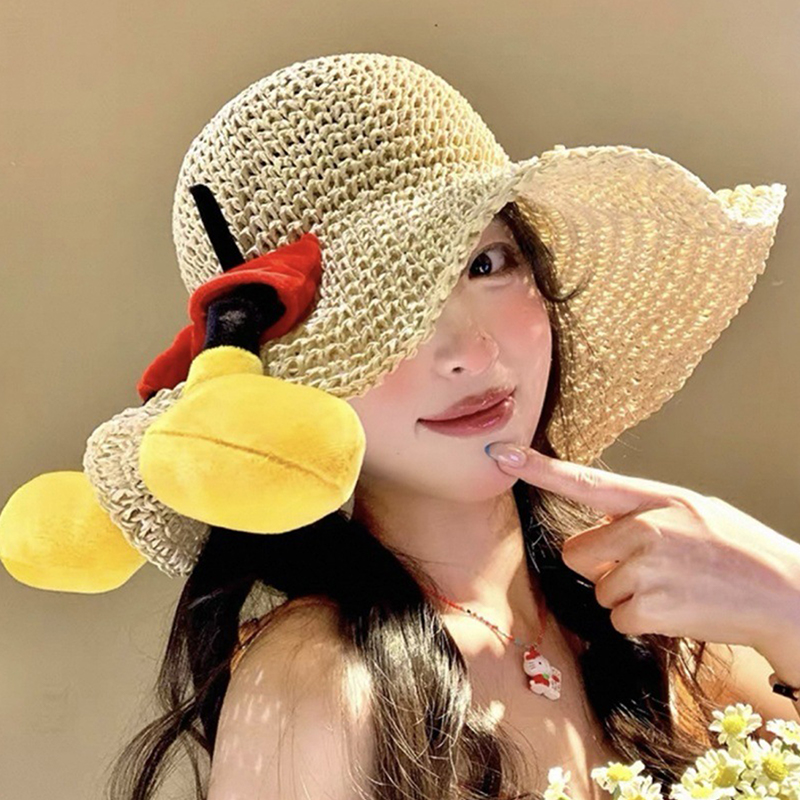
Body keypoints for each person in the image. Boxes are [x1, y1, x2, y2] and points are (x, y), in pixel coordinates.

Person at [0, 52, 795, 800]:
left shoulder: (664, 624)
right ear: (290, 387)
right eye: (384, 318)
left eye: (486, 265)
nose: (470, 352)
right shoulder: (321, 684)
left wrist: (784, 595)